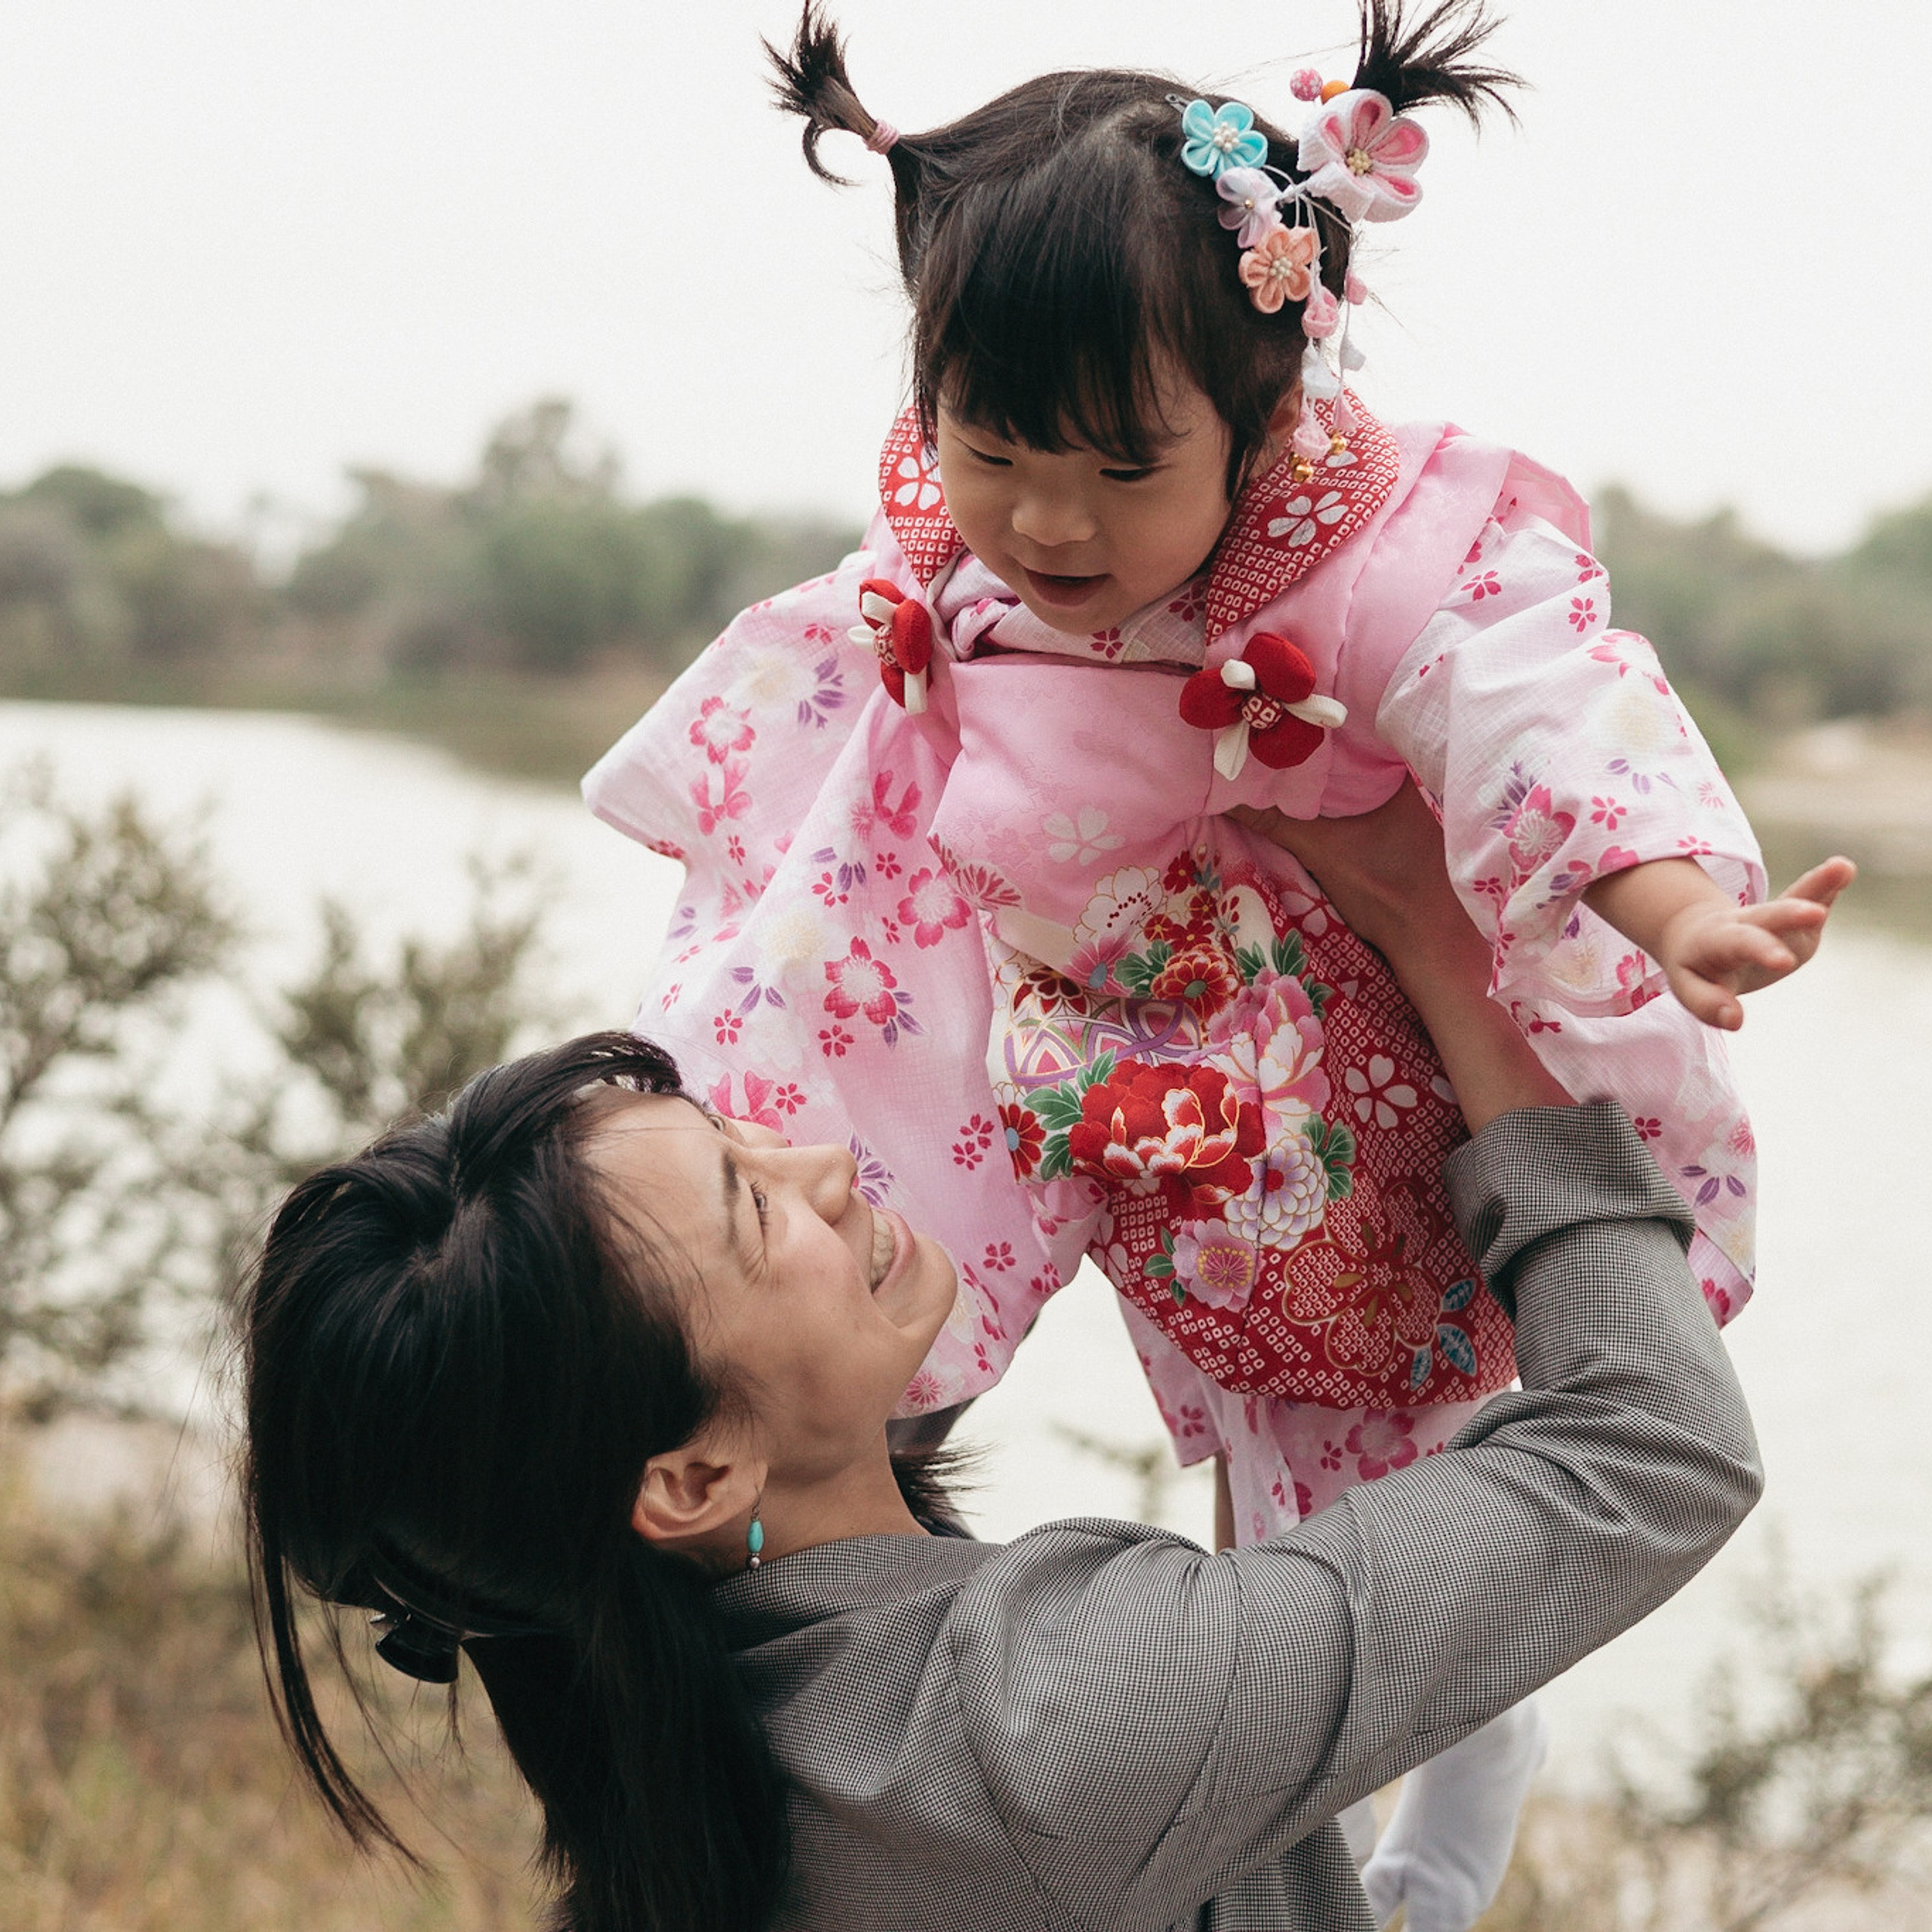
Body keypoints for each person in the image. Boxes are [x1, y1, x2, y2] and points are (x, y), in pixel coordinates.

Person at [581, 7, 1848, 1919]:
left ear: (1263, 419)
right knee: (838, 1233)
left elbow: (1543, 702)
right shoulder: (954, 536)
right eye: (992, 447)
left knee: (1387, 1467)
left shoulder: (1368, 542)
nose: (1045, 521)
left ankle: (1431, 1855)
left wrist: (1671, 900)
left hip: (1328, 1055)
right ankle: (751, 1486)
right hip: (1083, 1018)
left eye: (1116, 466)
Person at [244, 781, 1764, 1932]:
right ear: (691, 1473)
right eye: (744, 1204)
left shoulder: (670, 1725)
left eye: (734, 1129)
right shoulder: (1042, 1721)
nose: (822, 1160)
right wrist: (1436, 940)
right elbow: (1650, 1446)